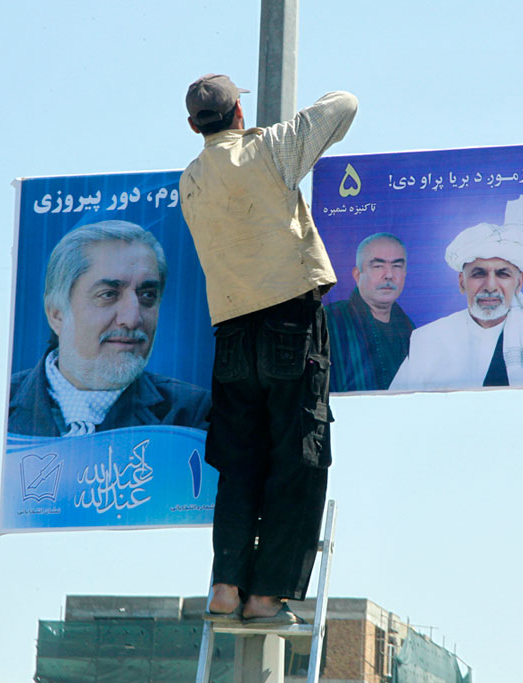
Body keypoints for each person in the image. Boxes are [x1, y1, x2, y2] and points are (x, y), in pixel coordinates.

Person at [179, 74, 357, 624]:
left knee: (239, 465)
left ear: (193, 126)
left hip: (231, 332)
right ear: (239, 113)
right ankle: (265, 598)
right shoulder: (271, 150)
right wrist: (272, 132)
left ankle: (225, 588)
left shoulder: (191, 179)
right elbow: (344, 104)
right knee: (297, 459)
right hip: (289, 324)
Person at [8, 220, 210, 436]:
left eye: (147, 295)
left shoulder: (191, 414)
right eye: (108, 294)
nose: (132, 319)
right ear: (57, 314)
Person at [389, 195, 523, 391]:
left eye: (503, 274)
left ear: (519, 282)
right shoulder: (429, 340)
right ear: (462, 282)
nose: (490, 286)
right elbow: (395, 405)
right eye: (478, 274)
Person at [327, 233, 414, 392]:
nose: (389, 275)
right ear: (357, 275)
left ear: (405, 274)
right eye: (378, 266)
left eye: (397, 266)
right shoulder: (330, 322)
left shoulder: (410, 330)